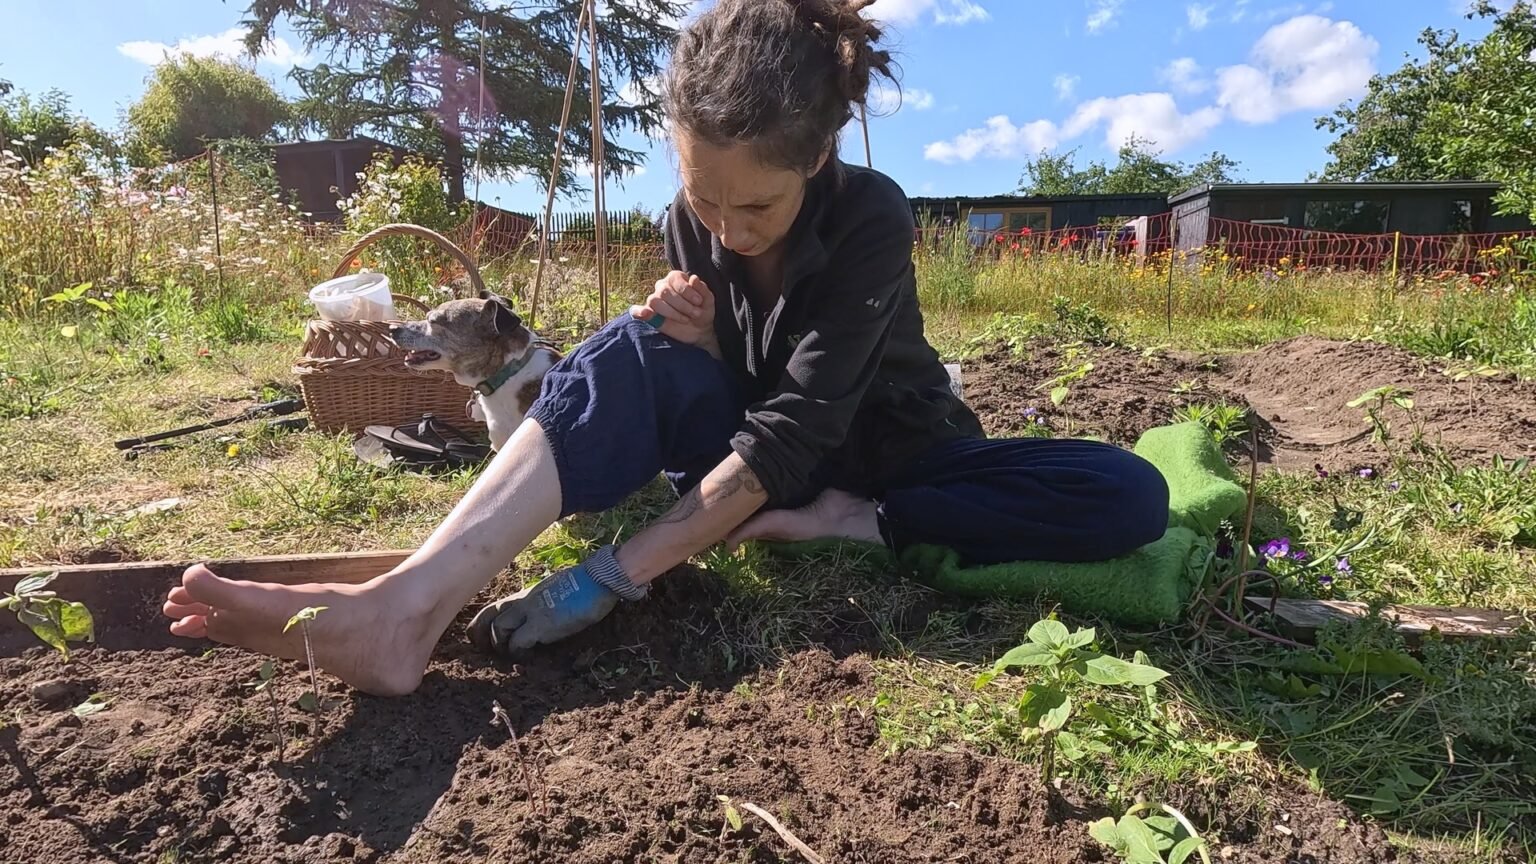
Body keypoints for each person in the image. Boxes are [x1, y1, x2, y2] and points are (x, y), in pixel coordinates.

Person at [160, 0, 1170, 697]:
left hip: (891, 451)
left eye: (759, 204)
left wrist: (609, 575)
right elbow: (732, 396)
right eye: (702, 195)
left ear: (817, 158)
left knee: (1131, 496)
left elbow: (801, 420)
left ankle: (854, 523)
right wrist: (699, 341)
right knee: (630, 340)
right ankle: (405, 607)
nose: (727, 227)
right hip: (743, 456)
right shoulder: (692, 226)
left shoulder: (872, 217)